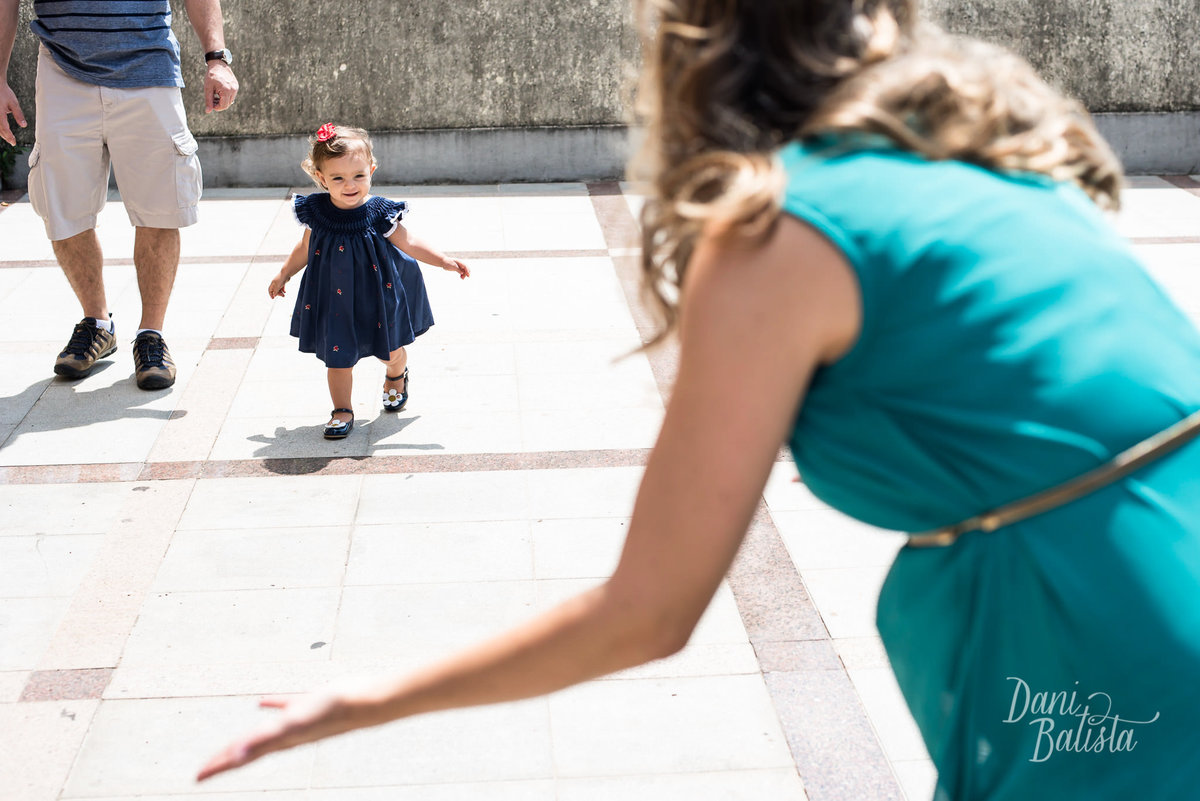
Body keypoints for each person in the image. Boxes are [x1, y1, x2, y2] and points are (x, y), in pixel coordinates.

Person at [199, 1, 1200, 798]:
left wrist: (364, 699)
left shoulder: (782, 225)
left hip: (1103, 648)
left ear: (688, 47)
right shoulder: (985, 162)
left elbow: (647, 611)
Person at [0, 0, 238, 389]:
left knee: (161, 208)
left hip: (150, 66)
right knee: (63, 208)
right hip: (63, 69)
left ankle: (152, 335)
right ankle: (97, 323)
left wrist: (217, 58)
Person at [268, 123, 470, 439]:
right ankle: (342, 410)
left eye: (358, 176)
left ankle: (396, 374)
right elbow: (305, 247)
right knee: (337, 357)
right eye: (338, 178)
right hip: (334, 299)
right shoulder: (317, 211)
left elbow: (409, 242)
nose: (350, 185)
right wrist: (284, 273)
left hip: (377, 294)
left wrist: (443, 260)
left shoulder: (378, 212)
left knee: (388, 350)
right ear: (321, 178)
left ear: (371, 170)